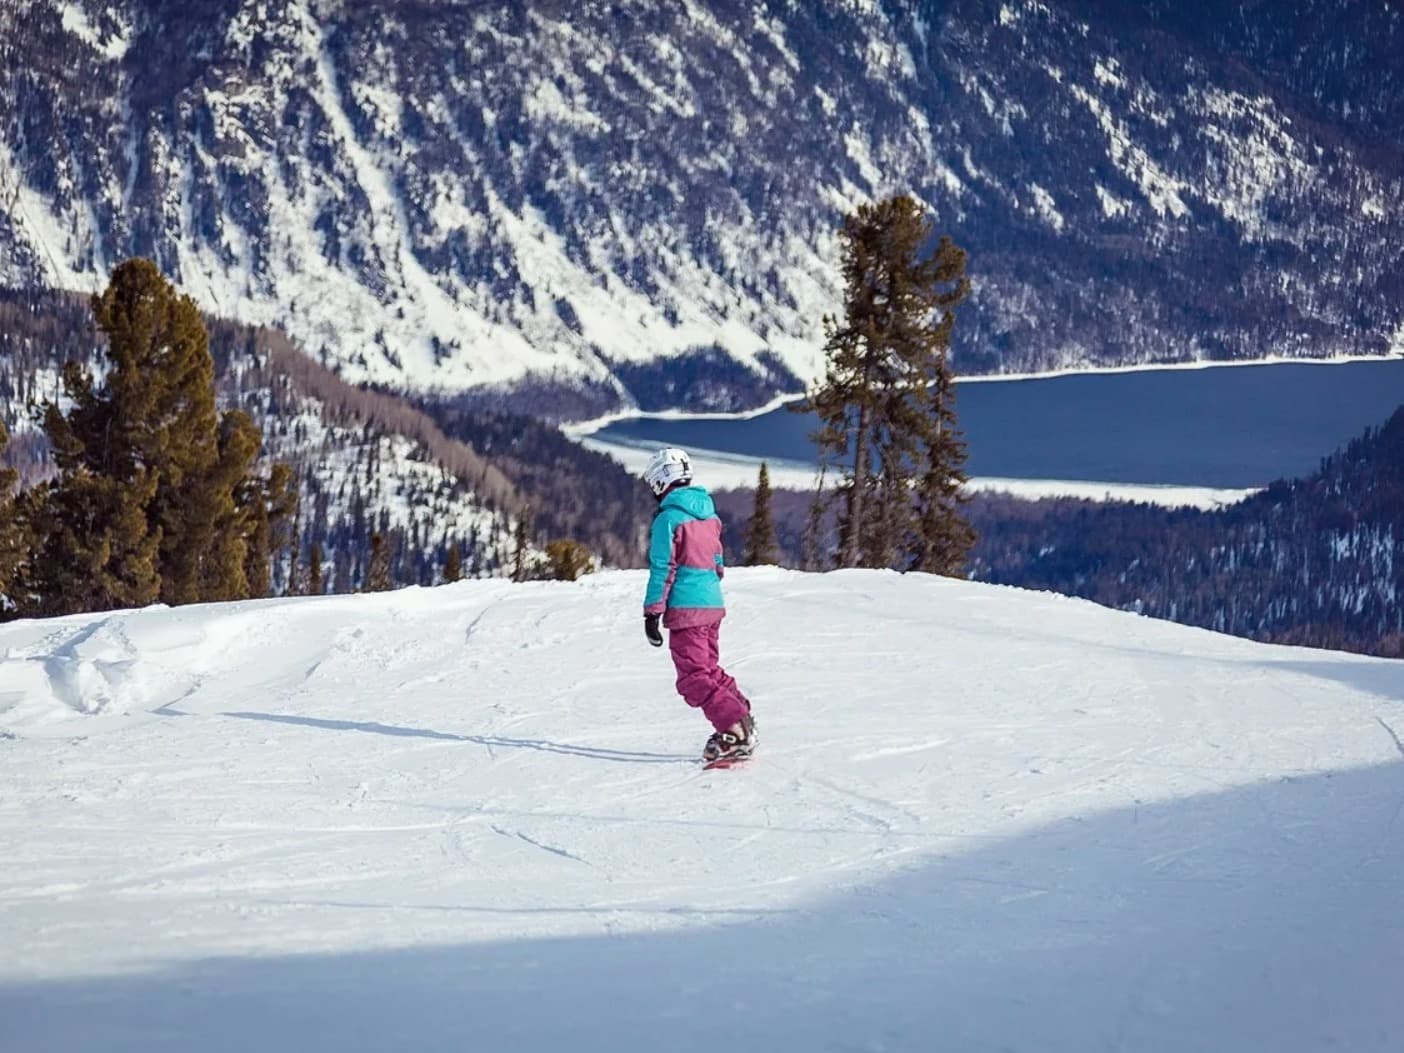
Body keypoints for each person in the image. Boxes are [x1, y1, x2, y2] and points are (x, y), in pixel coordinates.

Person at [640, 447, 756, 762]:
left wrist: (652, 612)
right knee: (707, 669)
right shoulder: (710, 515)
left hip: (687, 609)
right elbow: (718, 563)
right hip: (712, 605)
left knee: (692, 677)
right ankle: (741, 718)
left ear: (663, 481)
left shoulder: (668, 519)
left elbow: (663, 568)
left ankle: (733, 730)